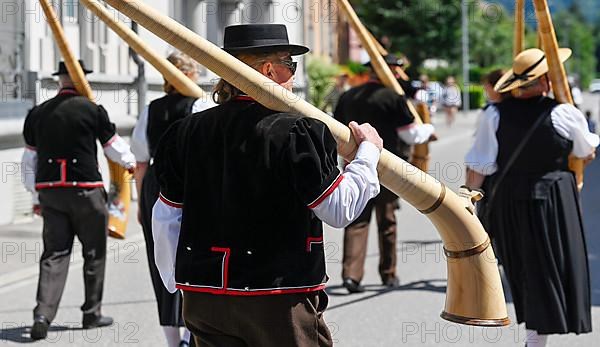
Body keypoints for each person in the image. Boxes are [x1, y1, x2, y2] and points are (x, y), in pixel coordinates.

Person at [151, 24, 383, 346]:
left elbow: (165, 218)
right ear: (269, 70)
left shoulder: (186, 131)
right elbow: (339, 209)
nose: (293, 77)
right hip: (277, 298)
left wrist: (178, 281)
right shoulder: (297, 131)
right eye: (290, 65)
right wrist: (368, 156)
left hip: (204, 298)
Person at [464, 48, 597, 347]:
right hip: (554, 200)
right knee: (551, 268)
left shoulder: (493, 114)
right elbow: (585, 151)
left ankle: (536, 337)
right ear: (547, 81)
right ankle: (537, 339)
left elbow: (480, 165)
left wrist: (469, 204)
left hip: (510, 200)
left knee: (523, 267)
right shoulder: (564, 112)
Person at [21, 60, 136, 340]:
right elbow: (114, 149)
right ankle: (91, 313)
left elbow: (28, 161)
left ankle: (42, 314)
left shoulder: (37, 113)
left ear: (60, 80)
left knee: (54, 254)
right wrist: (131, 163)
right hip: (86, 191)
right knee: (93, 253)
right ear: (82, 79)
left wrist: (36, 195)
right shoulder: (92, 110)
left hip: (51, 191)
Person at [131, 52, 215, 347]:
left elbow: (140, 161)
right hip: (192, 183)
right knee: (196, 256)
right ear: (190, 75)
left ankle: (172, 339)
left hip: (156, 183)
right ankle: (192, 333)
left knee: (161, 260)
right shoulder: (201, 105)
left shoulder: (151, 109)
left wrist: (141, 202)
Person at [334, 56, 435, 293]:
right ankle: (388, 274)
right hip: (387, 167)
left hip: (353, 163)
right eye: (397, 70)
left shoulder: (348, 95)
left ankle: (351, 275)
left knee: (357, 218)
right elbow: (411, 135)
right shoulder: (394, 98)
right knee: (387, 220)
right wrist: (428, 130)